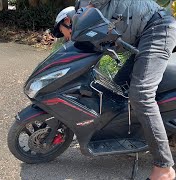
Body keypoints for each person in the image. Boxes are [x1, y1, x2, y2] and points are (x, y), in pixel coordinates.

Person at [56, 0, 176, 179]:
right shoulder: (84, 8)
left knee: (141, 94)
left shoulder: (89, 6)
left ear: (67, 21)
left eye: (62, 33)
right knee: (118, 86)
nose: (65, 37)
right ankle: (129, 136)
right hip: (142, 35)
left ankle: (164, 167)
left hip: (157, 28)